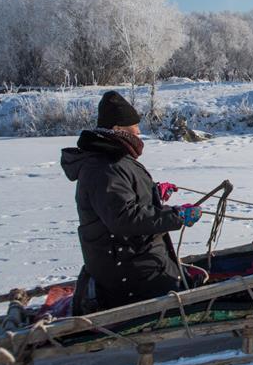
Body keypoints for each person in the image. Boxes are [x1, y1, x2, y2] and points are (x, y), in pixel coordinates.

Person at [61, 91, 203, 313]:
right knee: (193, 296)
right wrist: (176, 216)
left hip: (133, 260)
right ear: (117, 130)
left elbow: (120, 200)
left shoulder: (110, 161)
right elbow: (125, 219)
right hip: (130, 272)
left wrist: (153, 193)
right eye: (135, 129)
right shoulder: (105, 168)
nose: (139, 134)